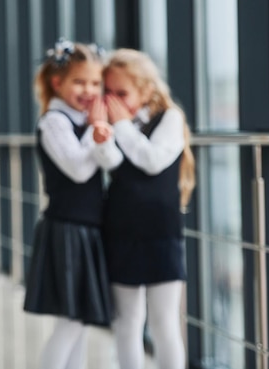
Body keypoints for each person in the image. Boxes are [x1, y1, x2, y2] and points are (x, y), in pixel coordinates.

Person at [23, 38, 123, 369]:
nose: (89, 90)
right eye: (80, 82)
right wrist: (95, 130)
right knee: (70, 323)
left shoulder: (79, 122)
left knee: (78, 324)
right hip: (67, 229)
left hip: (85, 229)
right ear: (57, 82)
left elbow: (106, 162)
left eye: (95, 82)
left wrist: (96, 132)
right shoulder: (54, 122)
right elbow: (79, 170)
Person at [101, 48, 196, 369]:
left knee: (164, 322)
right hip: (121, 229)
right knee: (126, 321)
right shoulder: (111, 125)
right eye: (108, 93)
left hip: (160, 231)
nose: (113, 102)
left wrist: (123, 126)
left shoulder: (169, 119)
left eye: (122, 93)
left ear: (146, 89)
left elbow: (153, 161)